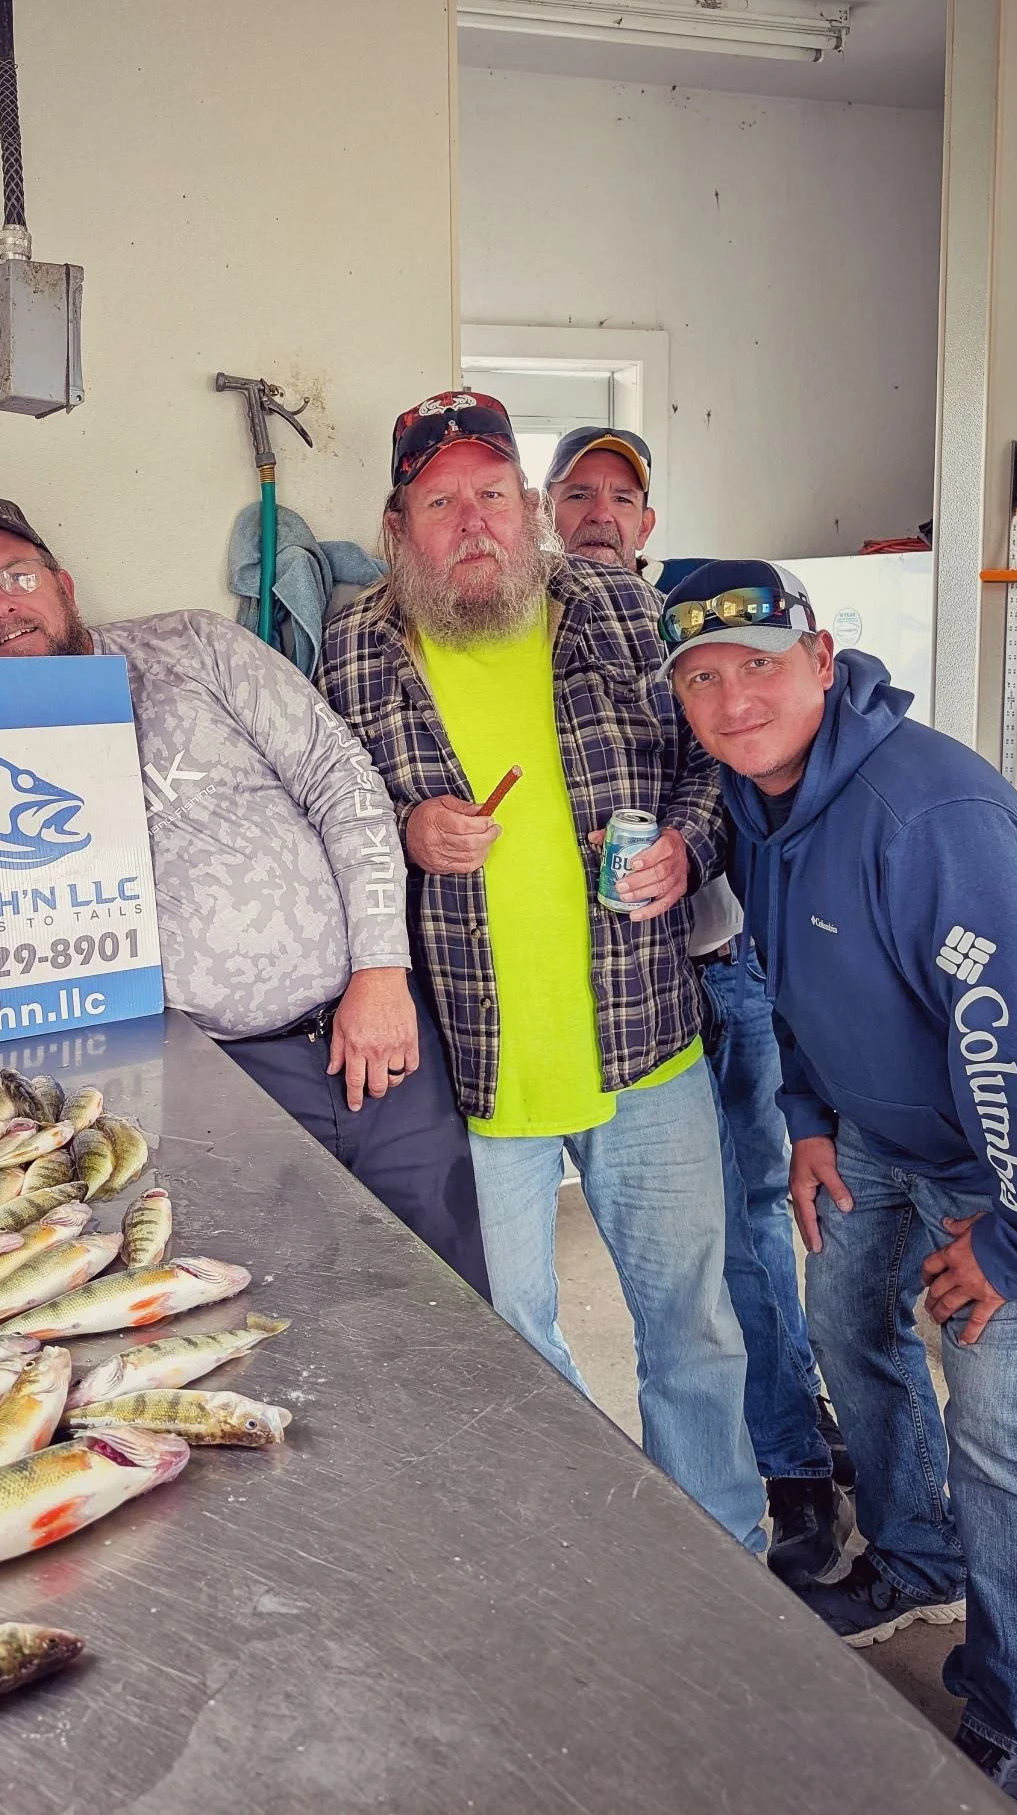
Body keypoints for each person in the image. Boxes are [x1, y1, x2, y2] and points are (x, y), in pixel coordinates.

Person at [319, 392, 764, 1552]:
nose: (473, 521)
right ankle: (589, 1564)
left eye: (491, 494)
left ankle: (726, 1565)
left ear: (526, 507)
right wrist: (410, 833)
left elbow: (713, 765)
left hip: (645, 1039)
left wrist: (687, 847)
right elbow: (330, 821)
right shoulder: (353, 646)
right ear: (397, 527)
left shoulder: (620, 605)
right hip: (477, 1067)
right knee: (509, 1350)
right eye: (440, 502)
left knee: (693, 1332)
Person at [661, 557, 1017, 1810]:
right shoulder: (757, 802)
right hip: (872, 1140)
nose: (734, 700)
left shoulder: (929, 819)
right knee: (847, 1331)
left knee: (1004, 1439)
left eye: (760, 666)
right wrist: (808, 1118)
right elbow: (785, 977)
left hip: (1006, 1170)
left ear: (823, 662)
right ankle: (916, 1557)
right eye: (703, 680)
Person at [0, 493, 489, 1296]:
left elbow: (343, 784)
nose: (0, 604)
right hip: (209, 1089)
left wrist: (381, 970)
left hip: (372, 1029)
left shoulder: (191, 645)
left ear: (63, 585)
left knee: (450, 1297)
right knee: (283, 1318)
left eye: (18, 574)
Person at [546, 428, 853, 1589]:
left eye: (622, 496)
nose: (600, 513)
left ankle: (795, 1464)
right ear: (549, 509)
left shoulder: (692, 621)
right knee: (715, 1237)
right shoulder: (539, 629)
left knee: (755, 1221)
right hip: (633, 993)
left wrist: (685, 840)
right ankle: (790, 1448)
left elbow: (730, 772)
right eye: (579, 493)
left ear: (648, 521)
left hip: (732, 966)